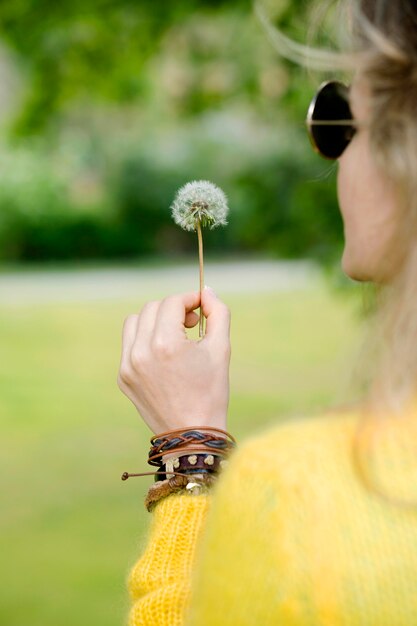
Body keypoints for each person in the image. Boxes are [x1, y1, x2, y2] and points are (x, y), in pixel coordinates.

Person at [117, 1, 417, 624]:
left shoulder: (298, 498)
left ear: (400, 146)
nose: (332, 158)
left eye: (337, 123)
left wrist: (189, 453)